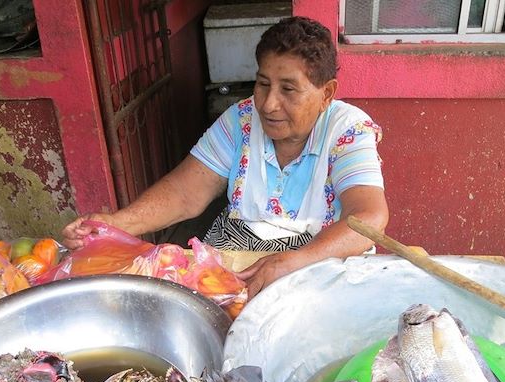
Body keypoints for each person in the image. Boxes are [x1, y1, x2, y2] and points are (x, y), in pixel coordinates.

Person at [62, 16, 389, 298]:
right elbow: (185, 193)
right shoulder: (241, 120)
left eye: (288, 89)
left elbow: (368, 219)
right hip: (237, 250)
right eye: (263, 84)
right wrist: (118, 224)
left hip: (316, 257)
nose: (269, 104)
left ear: (326, 93)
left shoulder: (348, 130)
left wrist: (294, 259)